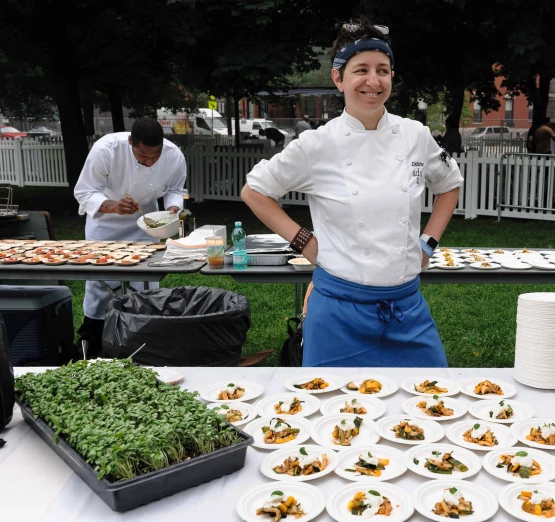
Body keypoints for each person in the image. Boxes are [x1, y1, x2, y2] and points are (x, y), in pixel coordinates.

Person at [241, 19, 463, 367]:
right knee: (332, 414)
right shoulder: (318, 143)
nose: (374, 81)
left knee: (427, 404)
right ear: (338, 78)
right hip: (338, 315)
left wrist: (428, 244)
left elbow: (449, 185)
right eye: (361, 69)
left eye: (383, 70)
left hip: (407, 310)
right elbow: (255, 191)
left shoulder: (415, 135)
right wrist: (304, 241)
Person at [73, 118, 187, 357]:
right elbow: (84, 191)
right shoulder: (106, 149)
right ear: (130, 142)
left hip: (145, 223)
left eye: (154, 159)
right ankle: (94, 341)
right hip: (105, 224)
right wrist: (113, 206)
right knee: (102, 283)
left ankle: (144, 341)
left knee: (145, 281)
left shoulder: (174, 155)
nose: (149, 163)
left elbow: (176, 189)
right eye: (142, 157)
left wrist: (173, 208)